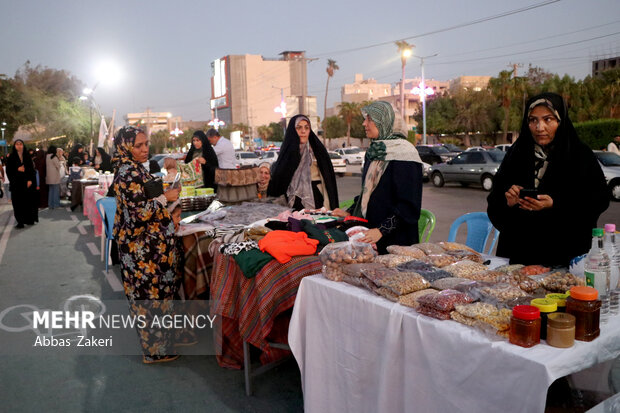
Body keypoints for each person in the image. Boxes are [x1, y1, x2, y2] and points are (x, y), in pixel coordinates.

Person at [487, 92, 609, 267]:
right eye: (533, 120)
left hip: (563, 256)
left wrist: (556, 204)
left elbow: (598, 200)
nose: (539, 127)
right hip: (519, 258)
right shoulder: (517, 154)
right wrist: (508, 202)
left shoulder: (579, 155)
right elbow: (494, 203)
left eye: (548, 119)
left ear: (560, 121)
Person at [111, 125, 181, 364]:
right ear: (125, 146)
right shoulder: (126, 172)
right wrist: (165, 198)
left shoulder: (136, 168)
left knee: (157, 298)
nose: (144, 149)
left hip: (152, 250)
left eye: (146, 144)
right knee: (149, 299)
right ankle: (155, 351)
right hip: (142, 252)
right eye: (138, 145)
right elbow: (138, 213)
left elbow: (146, 198)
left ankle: (160, 345)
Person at [332, 102, 423, 254]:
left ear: (384, 122)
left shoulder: (406, 155)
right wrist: (350, 212)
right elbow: (369, 194)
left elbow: (409, 206)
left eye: (369, 119)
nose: (364, 123)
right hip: (368, 233)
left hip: (395, 240)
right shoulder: (375, 151)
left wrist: (381, 230)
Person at [268, 115, 339, 210]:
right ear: (293, 131)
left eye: (306, 127)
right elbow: (279, 181)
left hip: (317, 201)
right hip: (291, 203)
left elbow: (328, 180)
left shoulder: (317, 151)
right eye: (299, 127)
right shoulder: (288, 153)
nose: (303, 131)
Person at [5, 140, 37, 228]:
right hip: (16, 185)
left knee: (28, 202)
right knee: (17, 204)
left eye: (20, 144)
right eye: (17, 144)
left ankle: (29, 219)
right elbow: (8, 171)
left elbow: (31, 169)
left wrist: (30, 180)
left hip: (27, 184)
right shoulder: (11, 157)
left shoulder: (27, 156)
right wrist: (17, 169)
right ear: (14, 146)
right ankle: (20, 222)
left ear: (23, 146)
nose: (19, 146)